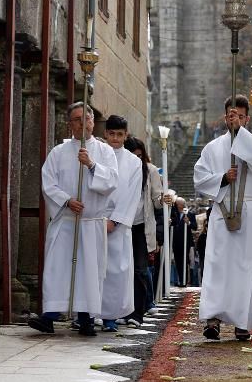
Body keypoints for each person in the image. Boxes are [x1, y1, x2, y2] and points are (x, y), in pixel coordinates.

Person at [194, 94, 252, 340]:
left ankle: (244, 321)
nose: (235, 120)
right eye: (232, 116)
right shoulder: (212, 148)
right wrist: (222, 178)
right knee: (218, 267)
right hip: (223, 213)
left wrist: (240, 133)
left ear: (247, 118)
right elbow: (199, 178)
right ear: (224, 117)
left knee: (246, 269)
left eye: (240, 116)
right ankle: (213, 319)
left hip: (250, 216)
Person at [28, 103, 118, 336]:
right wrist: (67, 200)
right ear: (70, 124)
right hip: (66, 222)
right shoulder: (58, 152)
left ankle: (86, 319)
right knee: (58, 269)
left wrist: (91, 165)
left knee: (88, 273)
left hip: (91, 222)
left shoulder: (105, 152)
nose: (81, 123)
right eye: (76, 119)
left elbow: (111, 182)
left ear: (92, 122)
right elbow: (48, 183)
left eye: (85, 119)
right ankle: (50, 316)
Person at [99, 115, 143, 332]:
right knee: (94, 269)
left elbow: (132, 195)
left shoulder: (134, 162)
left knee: (116, 270)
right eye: (111, 134)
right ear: (106, 133)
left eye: (120, 135)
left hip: (118, 222)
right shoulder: (98, 153)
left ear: (126, 136)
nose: (115, 138)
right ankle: (87, 313)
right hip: (96, 217)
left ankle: (110, 317)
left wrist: (115, 220)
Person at [123, 136, 163, 325]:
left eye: (139, 156)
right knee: (122, 269)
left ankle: (137, 313)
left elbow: (157, 199)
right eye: (132, 156)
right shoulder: (121, 169)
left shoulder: (151, 171)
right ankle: (122, 311)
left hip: (141, 226)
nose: (136, 160)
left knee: (140, 269)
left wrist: (164, 199)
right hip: (121, 224)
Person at [170, 197, 197, 286]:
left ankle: (184, 281)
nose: (176, 206)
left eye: (177, 204)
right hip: (175, 242)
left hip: (185, 243)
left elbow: (194, 227)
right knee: (177, 262)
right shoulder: (174, 214)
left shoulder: (190, 214)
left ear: (181, 205)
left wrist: (188, 223)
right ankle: (180, 280)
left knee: (184, 261)